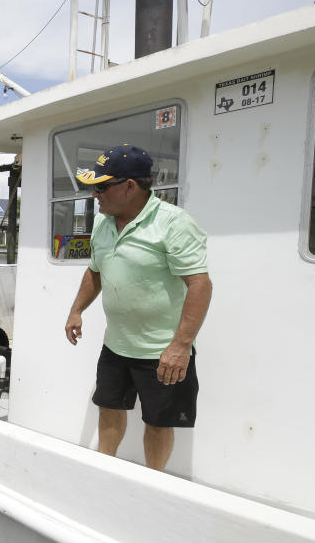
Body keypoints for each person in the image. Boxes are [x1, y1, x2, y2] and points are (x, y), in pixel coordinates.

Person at [65, 144, 212, 471]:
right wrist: (77, 310)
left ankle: (153, 484)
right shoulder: (104, 223)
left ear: (130, 186)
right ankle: (105, 473)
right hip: (116, 345)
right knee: (108, 407)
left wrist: (180, 346)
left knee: (159, 422)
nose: (95, 194)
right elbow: (96, 270)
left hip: (162, 350)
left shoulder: (173, 223)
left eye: (101, 186)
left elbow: (200, 284)